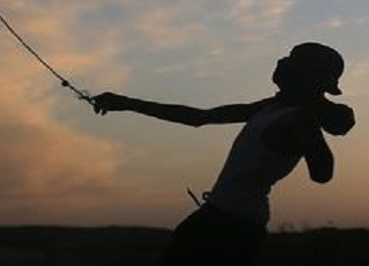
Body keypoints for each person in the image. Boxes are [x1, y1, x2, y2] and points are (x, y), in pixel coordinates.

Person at [93, 42, 355, 265]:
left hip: (232, 227)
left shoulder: (300, 119)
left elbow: (322, 174)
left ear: (304, 76)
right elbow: (199, 117)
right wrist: (126, 103)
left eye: (291, 62)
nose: (281, 63)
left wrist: (310, 127)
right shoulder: (271, 106)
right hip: (220, 216)